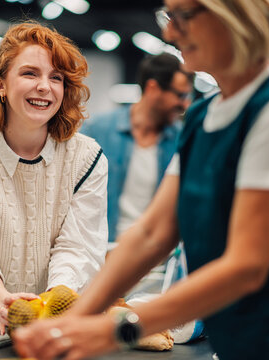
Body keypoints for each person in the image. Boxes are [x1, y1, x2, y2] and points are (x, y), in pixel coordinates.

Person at [11, 1, 269, 359]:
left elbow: (245, 266)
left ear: (233, 16)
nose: (170, 30)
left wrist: (116, 329)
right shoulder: (203, 116)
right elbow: (153, 233)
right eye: (169, 15)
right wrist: (74, 321)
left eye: (183, 15)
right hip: (243, 339)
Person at [0, 21, 108, 336]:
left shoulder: (87, 158)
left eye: (56, 77)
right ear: (0, 85)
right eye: (30, 73)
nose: (45, 87)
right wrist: (2, 300)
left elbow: (78, 245)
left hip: (58, 323)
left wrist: (54, 300)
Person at [81, 53, 193, 245]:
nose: (185, 104)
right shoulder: (97, 131)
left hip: (153, 255)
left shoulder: (182, 140)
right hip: (101, 249)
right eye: (180, 95)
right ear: (152, 88)